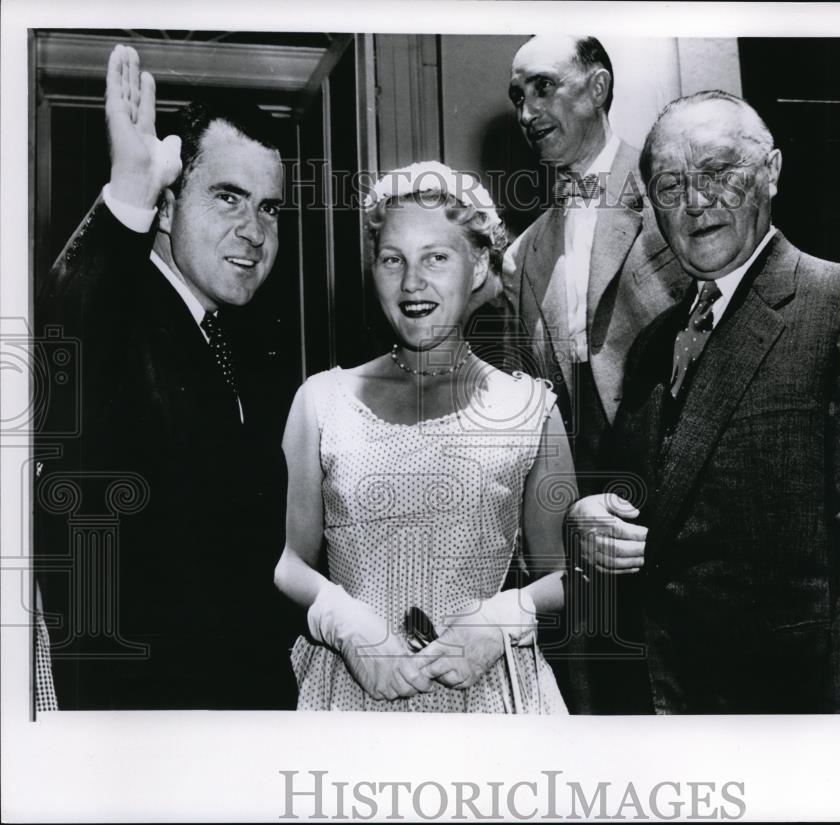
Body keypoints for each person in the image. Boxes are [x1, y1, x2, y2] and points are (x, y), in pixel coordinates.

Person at [35, 45, 296, 709]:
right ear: (168, 207)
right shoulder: (120, 317)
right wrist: (127, 192)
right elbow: (62, 336)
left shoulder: (244, 350)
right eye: (229, 197)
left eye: (270, 209)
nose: (254, 231)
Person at [567, 90, 840, 713]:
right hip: (660, 709)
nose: (695, 203)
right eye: (669, 184)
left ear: (771, 171)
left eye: (719, 173)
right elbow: (640, 504)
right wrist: (586, 520)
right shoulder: (652, 343)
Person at [273, 162, 574, 712]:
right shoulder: (320, 401)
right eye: (393, 260)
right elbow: (291, 562)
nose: (412, 282)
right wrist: (344, 622)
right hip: (349, 697)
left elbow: (571, 577)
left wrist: (503, 619)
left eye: (436, 257)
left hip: (489, 705)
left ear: (478, 264)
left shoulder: (530, 407)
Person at [503, 35, 686, 712]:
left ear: (599, 87)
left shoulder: (677, 192)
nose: (527, 110)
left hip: (682, 522)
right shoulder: (523, 255)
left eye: (544, 87)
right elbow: (530, 410)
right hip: (585, 540)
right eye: (517, 96)